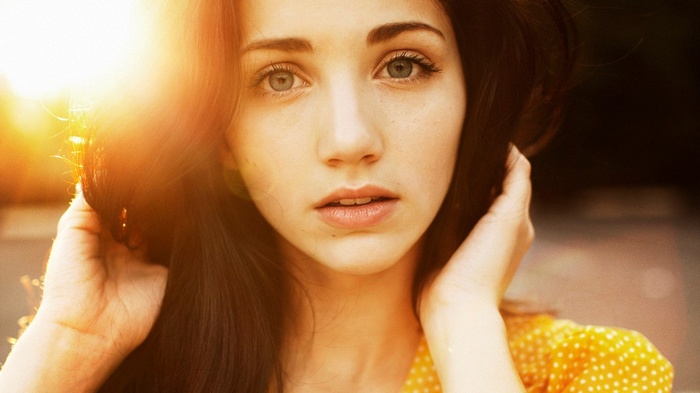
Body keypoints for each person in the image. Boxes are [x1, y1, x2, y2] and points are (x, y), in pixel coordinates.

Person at [0, 0, 674, 391]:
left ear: (474, 93)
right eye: (279, 78)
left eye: (404, 65)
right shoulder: (116, 370)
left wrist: (466, 324)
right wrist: (67, 342)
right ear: (219, 130)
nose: (350, 139)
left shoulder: (593, 373)